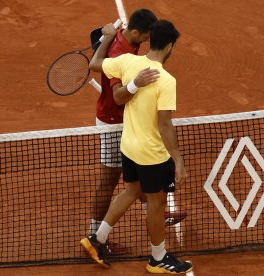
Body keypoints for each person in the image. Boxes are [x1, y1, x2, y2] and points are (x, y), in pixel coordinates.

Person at [80, 20, 193, 274]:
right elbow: (165, 126)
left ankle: (96, 238)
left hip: (128, 147)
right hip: (152, 155)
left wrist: (106, 38)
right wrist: (177, 159)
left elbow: (95, 64)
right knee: (156, 205)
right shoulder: (166, 80)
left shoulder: (128, 61)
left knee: (131, 191)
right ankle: (158, 258)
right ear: (169, 47)